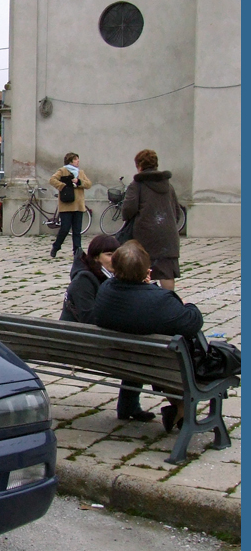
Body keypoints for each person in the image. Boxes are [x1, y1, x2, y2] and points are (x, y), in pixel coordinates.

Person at [91, 240, 203, 431]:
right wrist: (186, 304)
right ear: (147, 270)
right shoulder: (160, 301)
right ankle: (182, 411)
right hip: (158, 364)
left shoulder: (105, 291)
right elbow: (193, 322)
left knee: (157, 355)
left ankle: (179, 411)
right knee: (177, 356)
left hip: (121, 358)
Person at [60, 234, 157, 421]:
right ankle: (129, 405)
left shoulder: (112, 278)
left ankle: (129, 406)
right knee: (139, 349)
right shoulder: (84, 280)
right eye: (109, 254)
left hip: (95, 338)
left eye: (116, 254)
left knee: (139, 344)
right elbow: (90, 320)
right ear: (96, 257)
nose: (114, 259)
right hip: (79, 342)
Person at [122, 148, 183, 292]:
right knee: (167, 272)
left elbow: (128, 210)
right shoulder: (168, 185)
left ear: (139, 166)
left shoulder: (137, 185)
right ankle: (169, 303)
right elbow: (177, 212)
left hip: (145, 235)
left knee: (141, 270)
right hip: (168, 236)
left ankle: (144, 301)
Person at [48, 152, 90, 258]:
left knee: (77, 230)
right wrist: (63, 186)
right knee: (65, 228)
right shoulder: (63, 170)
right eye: (76, 159)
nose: (78, 161)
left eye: (78, 159)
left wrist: (79, 182)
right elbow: (52, 180)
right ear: (70, 161)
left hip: (78, 205)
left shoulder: (80, 172)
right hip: (66, 204)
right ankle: (56, 247)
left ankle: (77, 251)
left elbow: (88, 184)